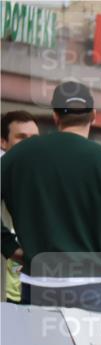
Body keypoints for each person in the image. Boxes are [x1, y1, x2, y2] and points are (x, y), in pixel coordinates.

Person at [0, 81, 101, 328]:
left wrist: (8, 246)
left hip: (36, 283)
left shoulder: (19, 156)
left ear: (55, 116)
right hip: (90, 286)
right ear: (94, 115)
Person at [1, 110, 39, 304]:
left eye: (34, 138)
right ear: (3, 141)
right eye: (21, 137)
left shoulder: (41, 178)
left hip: (29, 288)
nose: (29, 144)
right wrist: (11, 248)